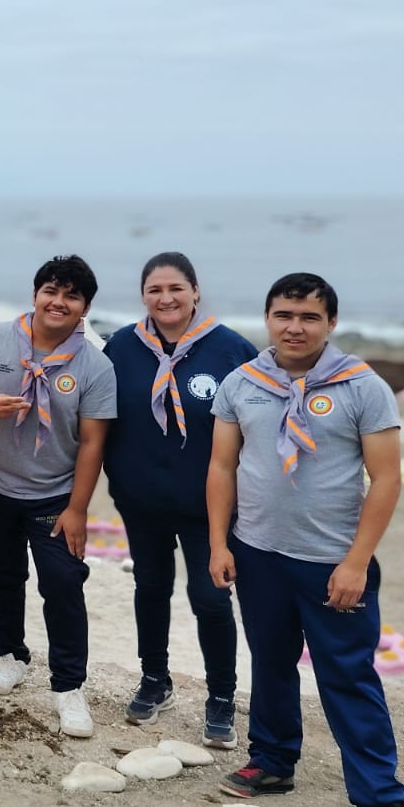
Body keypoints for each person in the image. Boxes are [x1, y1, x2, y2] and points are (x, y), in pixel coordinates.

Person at [208, 273, 404, 807]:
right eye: (284, 315)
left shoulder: (363, 387)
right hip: (257, 552)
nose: (295, 327)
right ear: (268, 319)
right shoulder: (242, 383)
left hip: (333, 561)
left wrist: (356, 562)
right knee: (271, 662)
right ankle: (273, 761)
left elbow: (386, 478)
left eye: (308, 317)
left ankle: (380, 802)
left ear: (330, 323)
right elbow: (222, 466)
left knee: (348, 676)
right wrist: (219, 544)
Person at [0, 254, 116, 739]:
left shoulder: (95, 365)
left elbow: (93, 443)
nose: (58, 302)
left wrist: (78, 509)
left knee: (63, 585)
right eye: (51, 291)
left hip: (53, 495)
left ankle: (68, 686)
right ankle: (10, 654)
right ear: (36, 294)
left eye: (72, 296)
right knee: (1, 574)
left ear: (85, 308)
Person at [102, 252, 255, 745]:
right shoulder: (121, 346)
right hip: (140, 498)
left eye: (175, 288)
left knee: (210, 598)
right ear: (143, 296)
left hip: (208, 505)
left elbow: (261, 423)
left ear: (195, 292)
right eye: (155, 290)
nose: (165, 298)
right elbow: (95, 415)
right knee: (150, 586)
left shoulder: (232, 350)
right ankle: (155, 680)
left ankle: (221, 697)